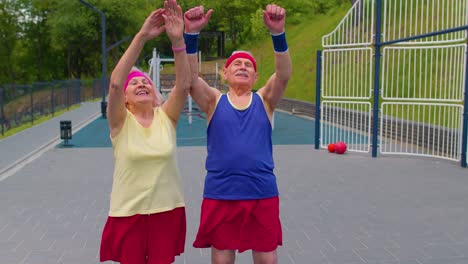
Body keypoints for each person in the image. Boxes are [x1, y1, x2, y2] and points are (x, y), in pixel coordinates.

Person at [183, 4, 292, 264]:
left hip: (261, 191)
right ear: (225, 73)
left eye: (248, 65)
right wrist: (191, 35)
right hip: (222, 192)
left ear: (255, 76)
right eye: (236, 64)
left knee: (267, 257)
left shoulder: (265, 100)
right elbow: (188, 79)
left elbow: (284, 74)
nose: (242, 67)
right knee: (222, 257)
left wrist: (278, 33)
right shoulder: (213, 101)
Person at [99, 1, 191, 263]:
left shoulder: (167, 118)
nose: (141, 84)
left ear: (154, 94)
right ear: (126, 99)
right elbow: (116, 83)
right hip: (130, 213)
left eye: (146, 83)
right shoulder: (120, 122)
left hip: (167, 210)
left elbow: (184, 86)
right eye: (135, 83)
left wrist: (177, 40)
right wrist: (141, 36)